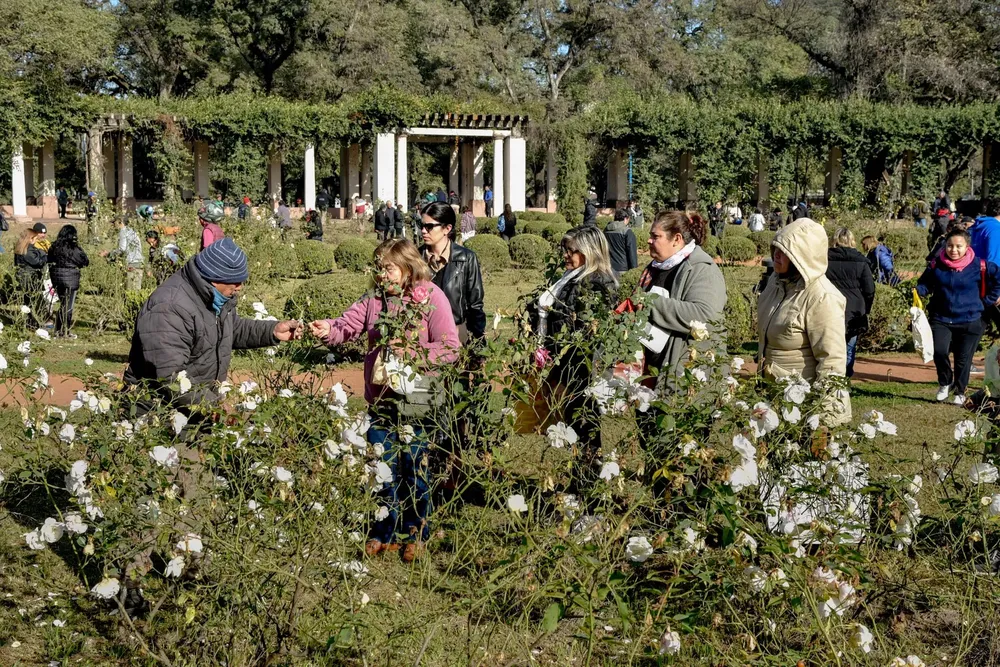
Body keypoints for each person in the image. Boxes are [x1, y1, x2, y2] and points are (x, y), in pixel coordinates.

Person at [307, 239, 459, 563]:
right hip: (381, 401)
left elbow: (450, 347)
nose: (381, 274)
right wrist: (327, 329)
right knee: (383, 466)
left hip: (417, 400)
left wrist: (414, 354)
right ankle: (384, 530)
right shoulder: (375, 302)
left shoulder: (432, 298)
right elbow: (346, 326)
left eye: (387, 267)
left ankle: (417, 531)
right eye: (378, 267)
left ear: (407, 267)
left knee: (415, 468)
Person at [126, 237, 301, 411]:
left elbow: (232, 328)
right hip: (160, 416)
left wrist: (273, 331)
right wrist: (213, 406)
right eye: (235, 281)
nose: (240, 287)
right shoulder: (169, 308)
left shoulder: (212, 297)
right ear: (214, 277)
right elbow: (171, 376)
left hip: (196, 409)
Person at [532, 226, 618, 494]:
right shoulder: (571, 278)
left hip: (583, 367)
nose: (567, 256)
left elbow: (587, 330)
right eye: (565, 250)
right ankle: (579, 482)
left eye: (573, 251)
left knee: (586, 426)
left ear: (590, 252)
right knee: (573, 426)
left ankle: (587, 489)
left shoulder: (597, 283)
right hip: (566, 363)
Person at [757, 218, 851, 426]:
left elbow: (832, 360)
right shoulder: (776, 284)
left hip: (804, 407)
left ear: (802, 256)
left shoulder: (822, 297)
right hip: (772, 397)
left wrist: (823, 419)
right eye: (776, 248)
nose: (776, 255)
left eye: (785, 251)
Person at [637, 211, 727, 389]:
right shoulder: (655, 267)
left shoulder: (701, 270)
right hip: (653, 373)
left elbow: (705, 315)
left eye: (656, 236)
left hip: (685, 377)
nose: (649, 241)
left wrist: (651, 303)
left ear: (676, 239)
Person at [917, 228, 1000, 405]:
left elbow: (998, 280)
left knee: (963, 359)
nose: (953, 250)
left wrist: (987, 301)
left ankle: (960, 391)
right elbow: (924, 283)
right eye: (949, 246)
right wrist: (920, 291)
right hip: (941, 318)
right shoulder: (936, 265)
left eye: (958, 246)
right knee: (939, 352)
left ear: (967, 247)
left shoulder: (980, 265)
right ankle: (945, 383)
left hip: (972, 319)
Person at [419, 202, 486, 345]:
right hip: (422, 338)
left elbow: (475, 305)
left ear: (447, 228)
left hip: (456, 336)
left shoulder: (466, 258)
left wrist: (478, 342)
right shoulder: (415, 259)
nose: (423, 231)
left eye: (429, 226)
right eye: (422, 226)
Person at [825, 228, 875, 378]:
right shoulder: (861, 261)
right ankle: (845, 378)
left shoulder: (824, 260)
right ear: (852, 241)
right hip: (854, 309)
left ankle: (830, 376)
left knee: (829, 346)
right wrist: (866, 308)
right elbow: (869, 289)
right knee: (849, 346)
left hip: (829, 307)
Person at [47, 225, 89, 338]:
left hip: (56, 278)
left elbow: (49, 260)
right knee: (68, 306)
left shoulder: (54, 246)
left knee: (63, 304)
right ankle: (65, 331)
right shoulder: (73, 248)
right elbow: (84, 261)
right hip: (70, 278)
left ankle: (58, 330)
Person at [14, 223, 48, 323]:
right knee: (35, 301)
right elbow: (37, 262)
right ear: (29, 238)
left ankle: (29, 320)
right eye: (34, 238)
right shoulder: (28, 250)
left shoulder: (22, 248)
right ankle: (36, 321)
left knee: (28, 300)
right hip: (30, 278)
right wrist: (46, 257)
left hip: (25, 277)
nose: (36, 240)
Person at [604, 208, 638, 276]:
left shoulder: (605, 230)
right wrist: (634, 270)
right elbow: (632, 252)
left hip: (607, 267)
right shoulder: (627, 232)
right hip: (622, 268)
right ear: (626, 218)